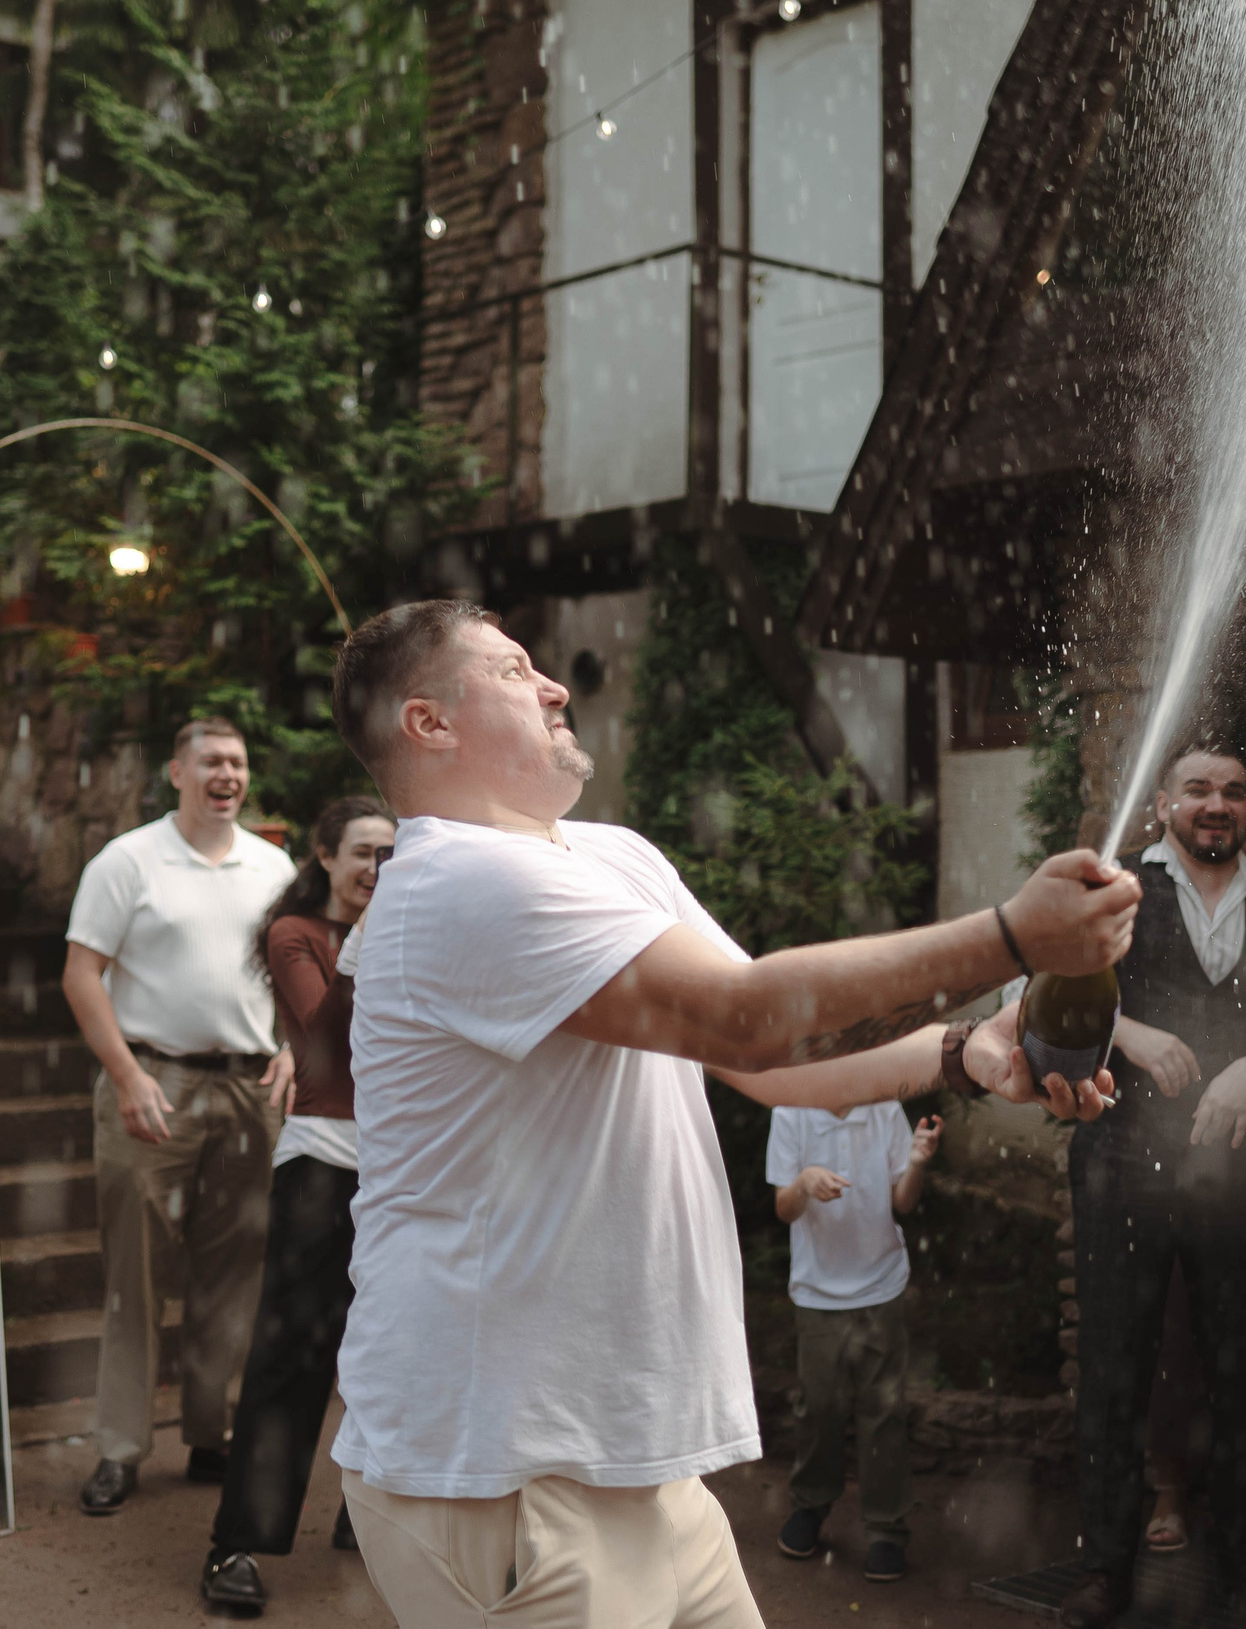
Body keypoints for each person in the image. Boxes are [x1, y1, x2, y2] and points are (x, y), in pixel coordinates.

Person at [321, 599, 1135, 1629]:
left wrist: (960, 1054)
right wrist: (1011, 937)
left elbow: (768, 1059)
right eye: (515, 669)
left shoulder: (608, 858)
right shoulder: (454, 881)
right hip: (496, 1473)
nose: (555, 687)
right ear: (429, 723)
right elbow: (748, 1022)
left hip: (636, 1463)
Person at [1056, 744, 1246, 1629]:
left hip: (1242, 1170)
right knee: (1114, 1369)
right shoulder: (1115, 887)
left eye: (1234, 792)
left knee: (1245, 1371)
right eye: (1200, 789)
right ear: (1165, 801)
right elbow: (1043, 990)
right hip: (1121, 1164)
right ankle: (1103, 1568)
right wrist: (1126, 1033)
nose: (1217, 804)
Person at [62, 717, 297, 1513]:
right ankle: (121, 1448)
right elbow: (81, 975)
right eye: (210, 762)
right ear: (177, 771)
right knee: (135, 1274)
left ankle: (211, 1433)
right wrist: (124, 1075)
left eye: (237, 761)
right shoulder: (128, 860)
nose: (226, 774)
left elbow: (301, 975)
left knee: (236, 1274)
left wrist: (295, 1050)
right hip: (151, 1079)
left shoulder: (275, 865)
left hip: (247, 1089)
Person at [201, 795, 396, 1611]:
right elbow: (325, 1044)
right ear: (323, 855)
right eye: (363, 852)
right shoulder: (298, 936)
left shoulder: (412, 931)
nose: (378, 868)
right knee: (292, 1356)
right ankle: (235, 1543)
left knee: (392, 1357)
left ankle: (371, 1515)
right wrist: (367, 948)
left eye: (392, 853)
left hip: (406, 1175)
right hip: (323, 1165)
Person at [767, 1102, 941, 1583]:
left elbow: (903, 1202)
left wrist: (918, 1163)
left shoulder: (884, 1106)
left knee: (884, 1412)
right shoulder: (790, 1110)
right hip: (817, 1290)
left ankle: (886, 1528)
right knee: (819, 1407)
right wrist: (803, 1183)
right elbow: (784, 1207)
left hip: (880, 1283)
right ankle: (811, 1506)